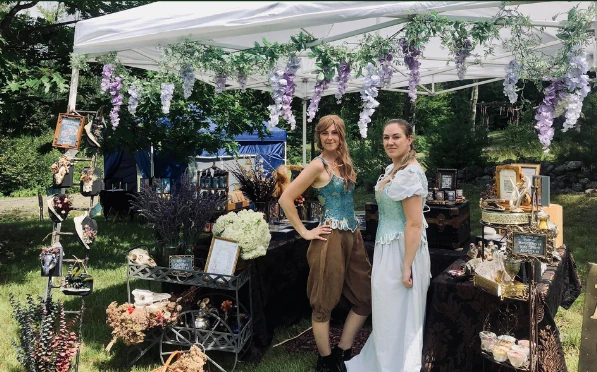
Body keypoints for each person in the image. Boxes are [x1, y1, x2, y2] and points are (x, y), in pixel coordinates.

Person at [279, 115, 372, 372]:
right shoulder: (317, 166)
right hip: (329, 238)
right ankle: (326, 359)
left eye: (335, 133)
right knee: (324, 300)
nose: (330, 137)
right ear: (319, 137)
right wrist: (304, 232)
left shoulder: (344, 162)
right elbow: (286, 198)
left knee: (364, 297)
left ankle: (343, 349)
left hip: (352, 235)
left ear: (341, 135)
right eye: (324, 133)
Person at [346, 119, 431, 372]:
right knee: (386, 312)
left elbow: (415, 224)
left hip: (403, 251)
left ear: (409, 140)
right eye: (386, 137)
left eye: (396, 137)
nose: (390, 142)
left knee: (400, 314)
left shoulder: (410, 174)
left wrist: (406, 266)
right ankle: (383, 363)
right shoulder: (392, 169)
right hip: (387, 246)